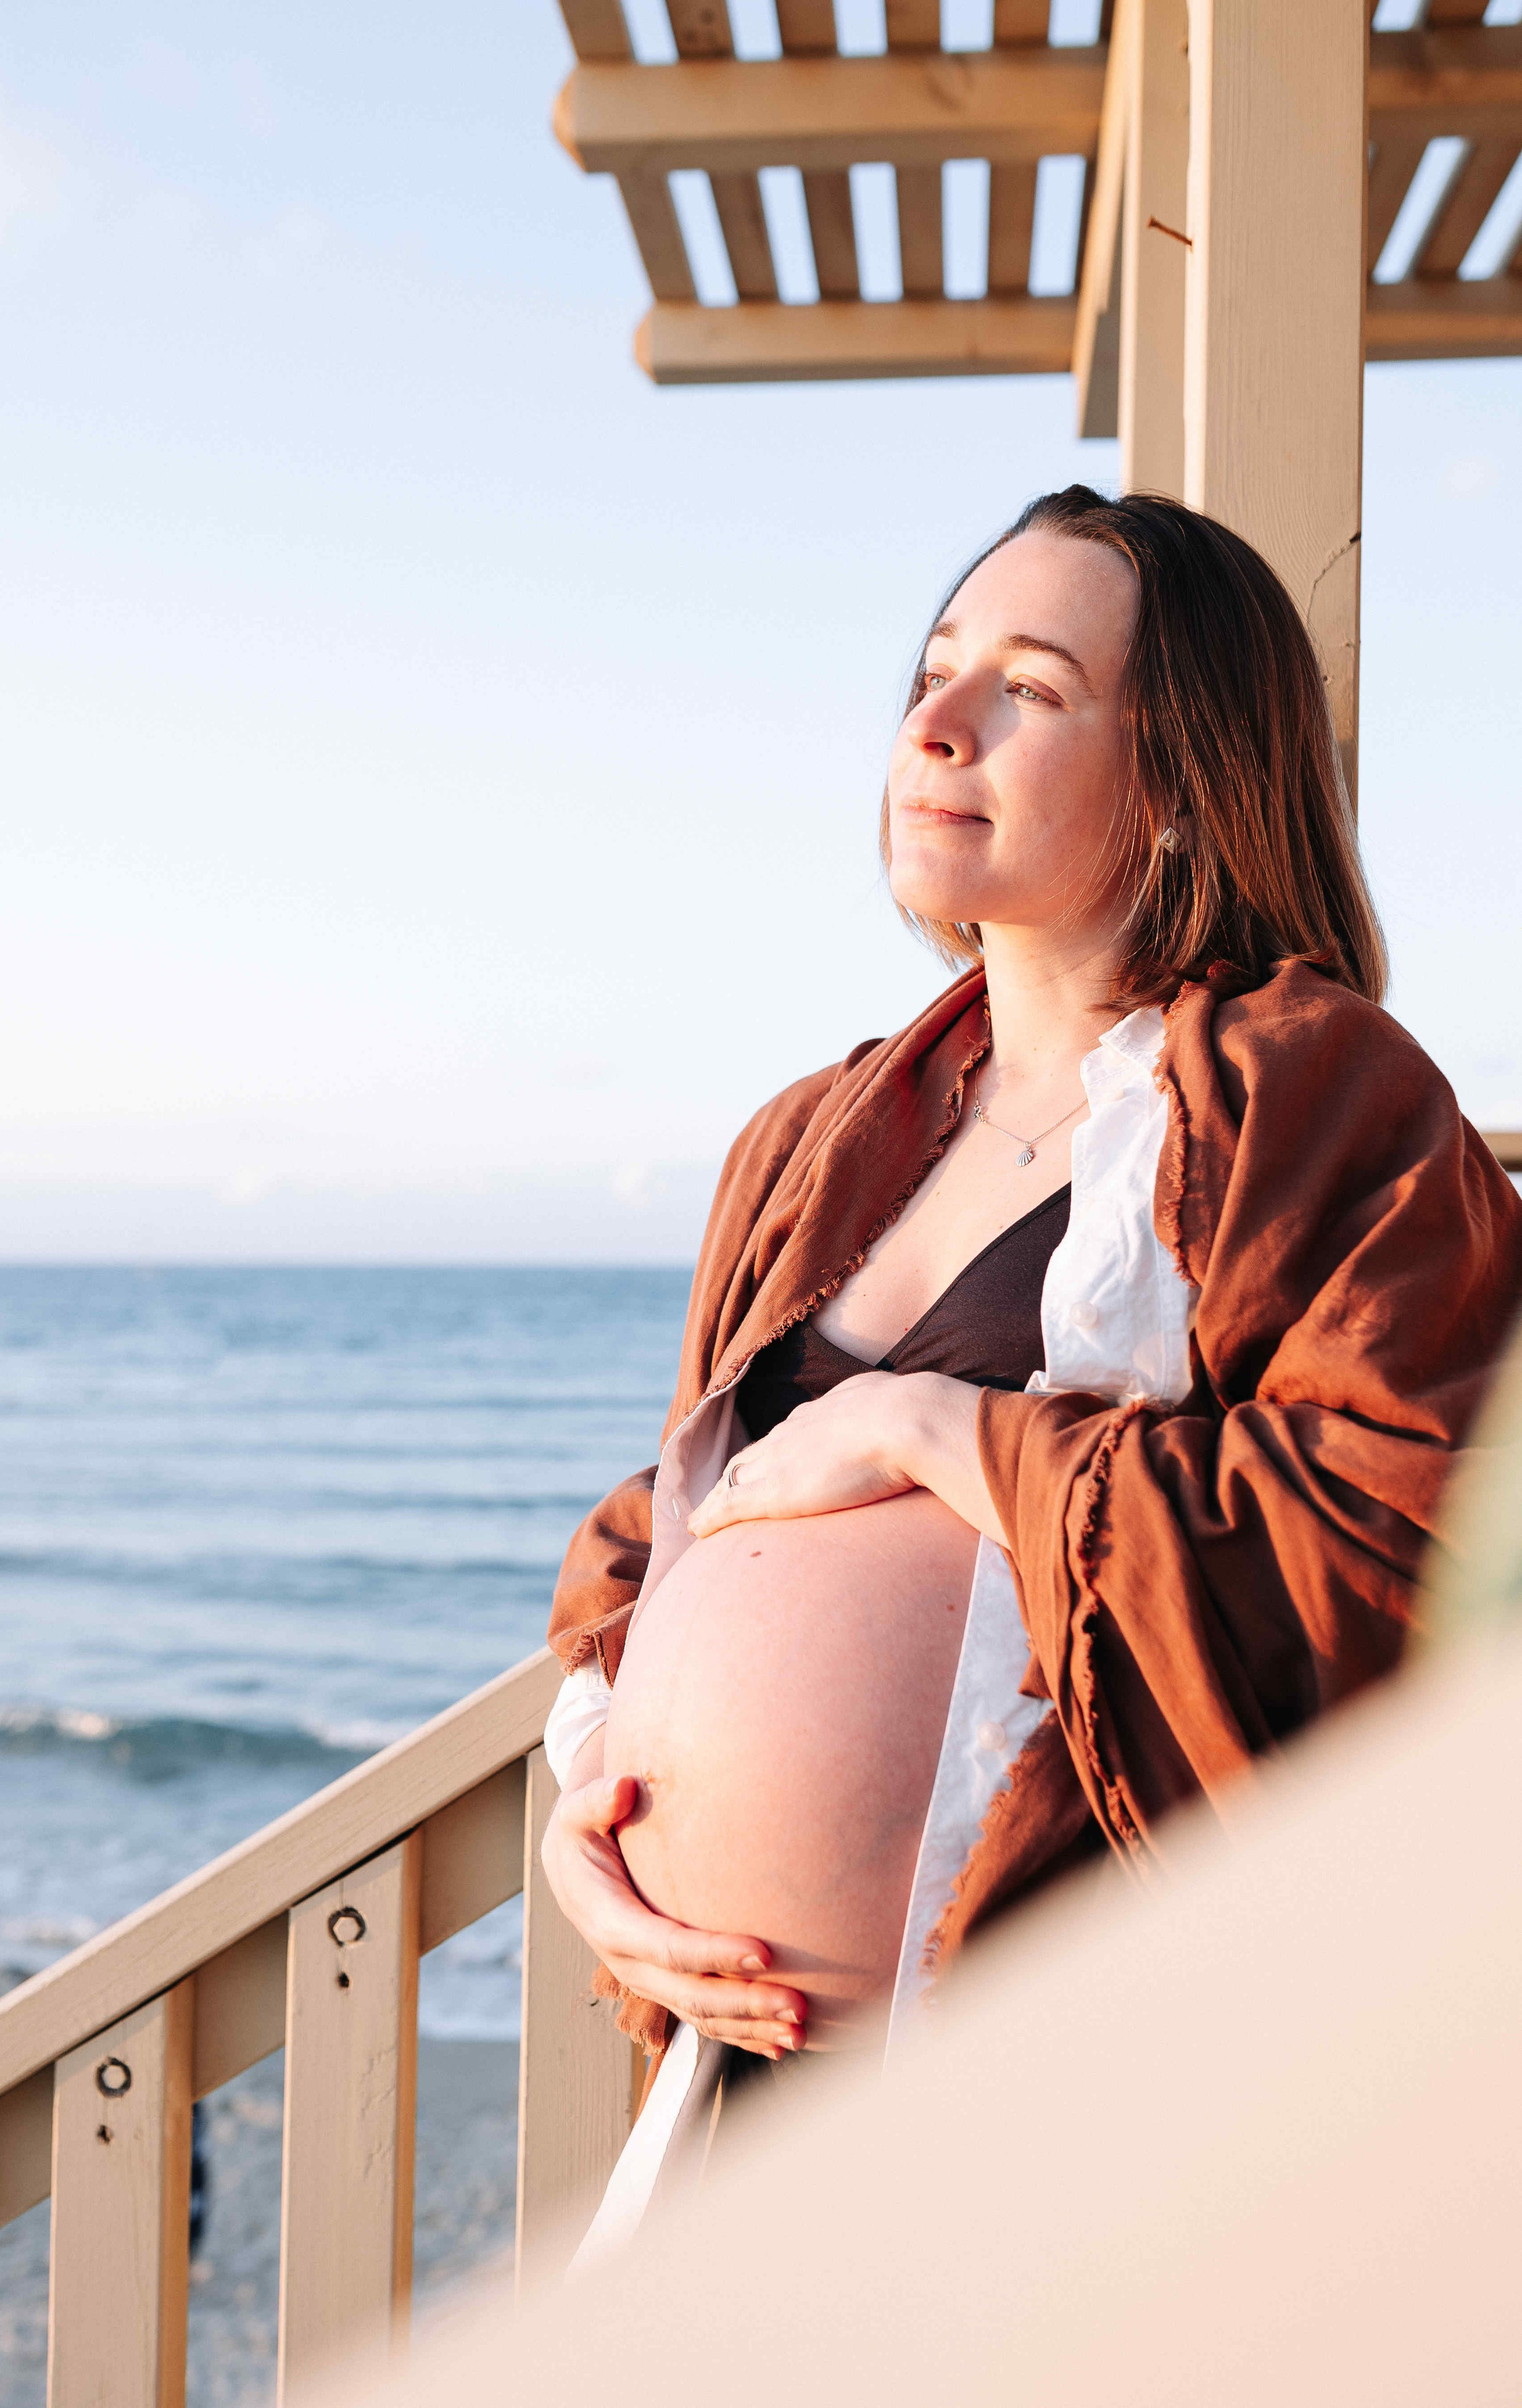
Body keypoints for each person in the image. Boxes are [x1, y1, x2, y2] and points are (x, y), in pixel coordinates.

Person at [538, 487, 1522, 2252]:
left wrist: (949, 1435)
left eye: (1031, 686)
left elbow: (1402, 1553)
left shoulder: (1314, 1102)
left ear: (1185, 771)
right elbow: (667, 1537)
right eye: (932, 671)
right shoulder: (809, 1138)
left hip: (1099, 2114)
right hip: (756, 2098)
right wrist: (590, 1829)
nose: (935, 722)